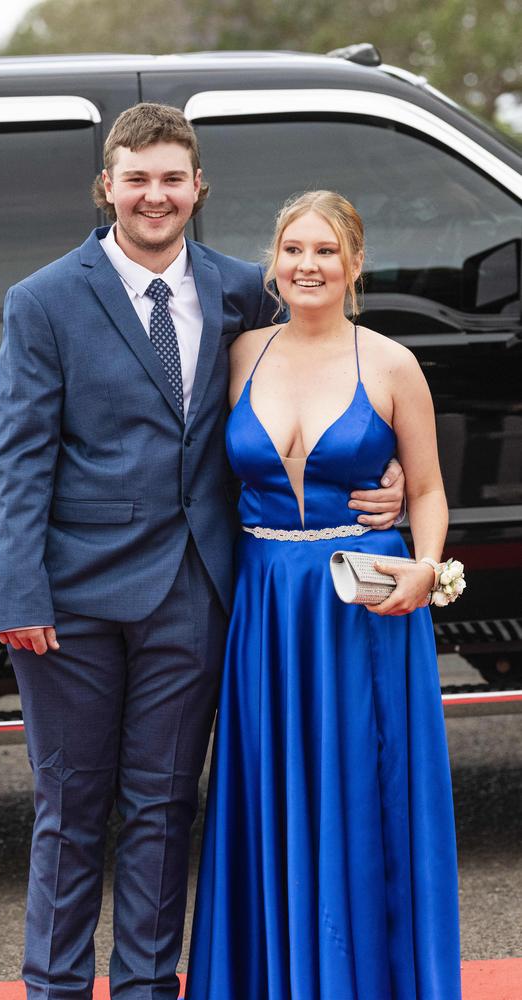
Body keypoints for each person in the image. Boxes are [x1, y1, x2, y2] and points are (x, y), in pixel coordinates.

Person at [0, 107, 406, 1000]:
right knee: (71, 812)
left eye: (172, 178)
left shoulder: (243, 291)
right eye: (137, 178)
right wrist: (19, 594)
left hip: (196, 590)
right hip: (73, 601)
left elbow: (320, 378)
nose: (155, 195)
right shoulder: (45, 300)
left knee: (163, 807)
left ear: (198, 188)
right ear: (107, 187)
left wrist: (391, 477)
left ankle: (144, 987)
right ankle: (53, 988)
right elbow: (15, 463)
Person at [185, 190, 462, 999]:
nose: (309, 266)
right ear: (273, 263)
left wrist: (425, 562)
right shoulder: (240, 354)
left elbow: (431, 490)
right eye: (294, 251)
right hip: (267, 607)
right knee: (274, 800)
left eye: (326, 252)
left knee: (361, 800)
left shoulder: (390, 363)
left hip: (364, 609)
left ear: (354, 265)